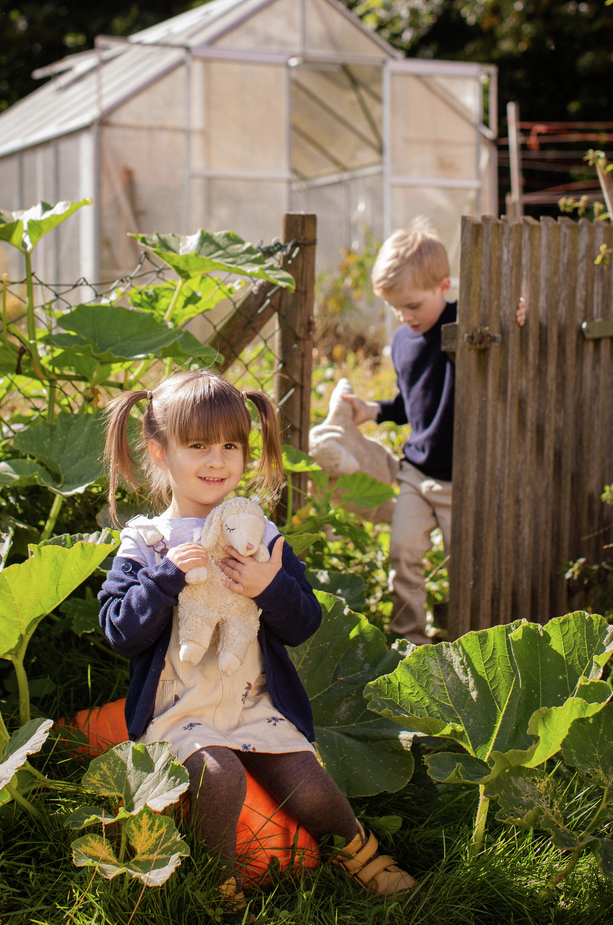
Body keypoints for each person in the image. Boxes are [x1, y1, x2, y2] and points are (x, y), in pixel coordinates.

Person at [98, 369, 416, 910]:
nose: (217, 460)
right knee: (220, 778)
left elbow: (303, 623)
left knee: (309, 781)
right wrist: (164, 579)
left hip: (252, 702)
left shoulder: (260, 536)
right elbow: (119, 631)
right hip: (177, 711)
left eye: (230, 446)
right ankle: (219, 885)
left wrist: (271, 586)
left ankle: (360, 854)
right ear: (159, 453)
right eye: (197, 446)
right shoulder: (146, 542)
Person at [342, 224, 527, 645]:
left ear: (444, 286)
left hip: (464, 479)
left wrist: (517, 317)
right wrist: (373, 411)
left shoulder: (466, 323)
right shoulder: (402, 341)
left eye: (412, 305)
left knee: (466, 567)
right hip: (417, 473)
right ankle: (409, 641)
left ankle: (469, 640)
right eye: (395, 308)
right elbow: (412, 402)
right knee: (402, 553)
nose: (405, 316)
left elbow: (503, 331)